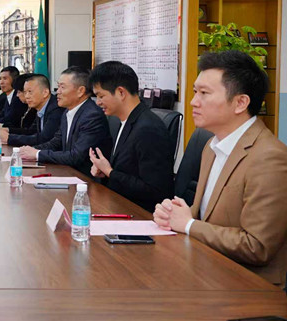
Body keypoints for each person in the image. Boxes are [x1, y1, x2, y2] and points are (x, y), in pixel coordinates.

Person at [154, 51, 287, 285]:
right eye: (195, 91)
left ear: (240, 103)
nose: (194, 101)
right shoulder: (211, 145)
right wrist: (176, 214)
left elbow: (256, 246)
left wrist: (188, 224)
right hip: (205, 269)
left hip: (247, 286)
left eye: (204, 93)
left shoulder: (269, 157)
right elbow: (208, 216)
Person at [87, 61, 174, 212]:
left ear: (121, 93)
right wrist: (105, 172)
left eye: (101, 96)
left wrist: (110, 172)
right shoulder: (124, 121)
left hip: (140, 214)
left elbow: (155, 190)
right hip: (119, 205)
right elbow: (128, 172)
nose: (98, 102)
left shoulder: (148, 129)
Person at [19, 66, 112, 174]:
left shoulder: (92, 116)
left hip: (86, 178)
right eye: (58, 86)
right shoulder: (67, 111)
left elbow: (76, 156)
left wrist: (37, 154)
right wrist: (29, 151)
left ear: (80, 91)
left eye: (62, 87)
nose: (57, 92)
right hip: (68, 172)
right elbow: (56, 143)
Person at [3, 74, 64, 147]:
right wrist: (8, 130)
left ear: (45, 93)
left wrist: (9, 138)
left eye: (30, 92)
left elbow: (44, 138)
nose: (27, 96)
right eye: (25, 92)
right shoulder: (40, 108)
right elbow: (31, 132)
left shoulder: (56, 109)